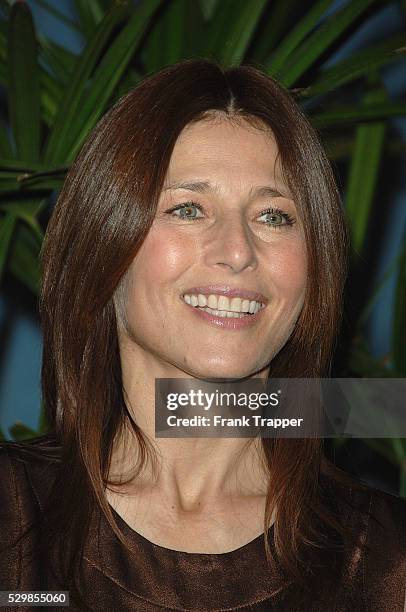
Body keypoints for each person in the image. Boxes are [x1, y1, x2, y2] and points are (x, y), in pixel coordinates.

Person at [0, 58, 405, 612]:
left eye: (274, 216)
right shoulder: (12, 518)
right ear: (105, 251)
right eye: (188, 209)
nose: (237, 251)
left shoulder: (387, 561)